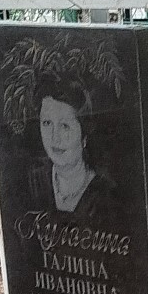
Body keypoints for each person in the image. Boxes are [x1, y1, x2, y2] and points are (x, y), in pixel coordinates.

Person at [35, 79, 114, 216]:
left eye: (65, 126)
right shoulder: (33, 183)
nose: (55, 138)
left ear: (84, 134)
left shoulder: (106, 196)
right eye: (47, 123)